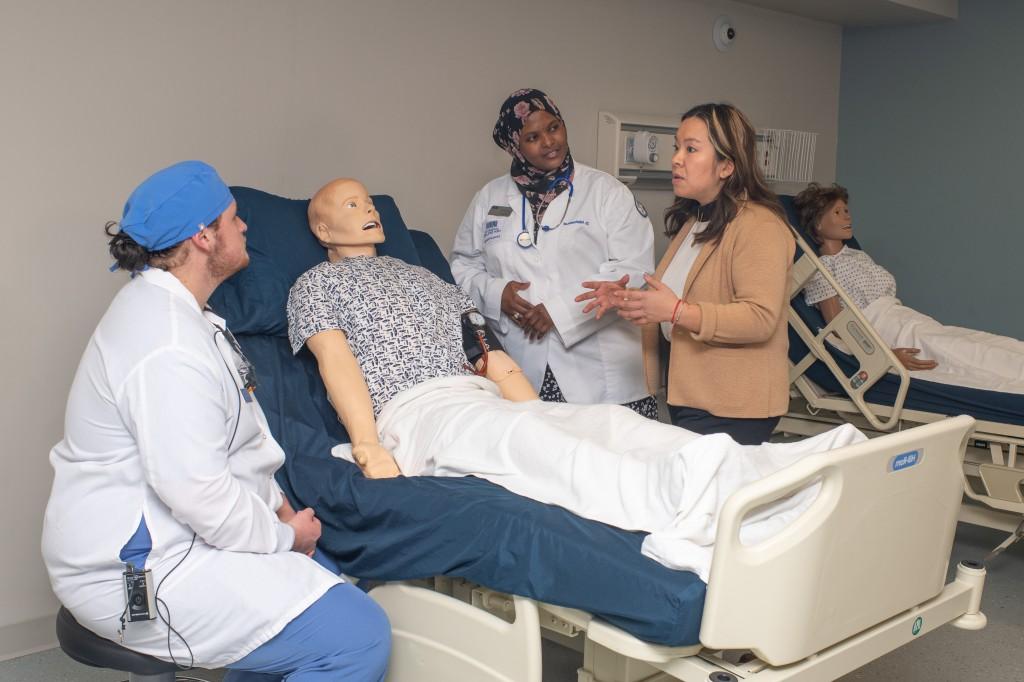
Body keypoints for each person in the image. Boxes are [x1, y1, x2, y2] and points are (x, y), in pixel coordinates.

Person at [286, 177, 863, 580]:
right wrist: (367, 445)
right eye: (350, 202)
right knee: (548, 450)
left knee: (602, 424)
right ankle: (709, 506)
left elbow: (486, 355)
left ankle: (772, 471)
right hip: (419, 413)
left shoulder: (426, 279)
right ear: (321, 227)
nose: (368, 208)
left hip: (485, 398)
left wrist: (537, 409)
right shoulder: (316, 285)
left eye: (369, 199)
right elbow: (337, 366)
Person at [41, 162, 390, 681]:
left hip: (182, 537)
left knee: (327, 584)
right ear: (204, 237)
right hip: (139, 568)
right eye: (233, 218)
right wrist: (286, 539)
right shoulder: (166, 343)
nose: (245, 226)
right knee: (357, 637)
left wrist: (280, 510)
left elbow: (241, 447)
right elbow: (199, 493)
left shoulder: (195, 320)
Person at [577, 103, 795, 445]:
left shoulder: (759, 226)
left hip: (736, 405)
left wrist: (677, 312)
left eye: (691, 149)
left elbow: (759, 317)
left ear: (726, 165)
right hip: (694, 396)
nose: (676, 158)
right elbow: (679, 300)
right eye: (677, 147)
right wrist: (628, 300)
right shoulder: (696, 222)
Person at [450, 88, 657, 417]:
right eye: (532, 137)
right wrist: (497, 293)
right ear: (514, 145)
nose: (549, 142)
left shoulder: (607, 193)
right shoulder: (489, 198)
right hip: (523, 367)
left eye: (554, 127)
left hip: (603, 379)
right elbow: (462, 266)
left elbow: (633, 271)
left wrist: (558, 313)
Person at [794, 182, 1024, 393]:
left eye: (846, 210)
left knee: (981, 343)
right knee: (968, 356)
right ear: (817, 224)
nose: (847, 217)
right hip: (888, 333)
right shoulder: (821, 270)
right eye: (837, 212)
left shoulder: (858, 256)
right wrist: (884, 356)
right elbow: (836, 330)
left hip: (909, 320)